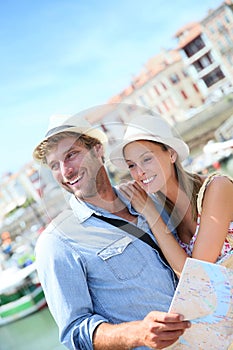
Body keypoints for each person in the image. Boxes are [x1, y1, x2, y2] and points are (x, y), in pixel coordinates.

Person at [32, 112, 191, 350]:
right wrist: (136, 333)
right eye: (55, 165)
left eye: (71, 155)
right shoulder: (57, 242)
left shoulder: (151, 199)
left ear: (98, 150)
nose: (66, 172)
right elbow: (75, 332)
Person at [110, 113, 233, 278]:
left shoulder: (217, 187)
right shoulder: (168, 215)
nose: (139, 172)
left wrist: (149, 212)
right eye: (131, 165)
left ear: (171, 154)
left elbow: (195, 275)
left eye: (147, 159)